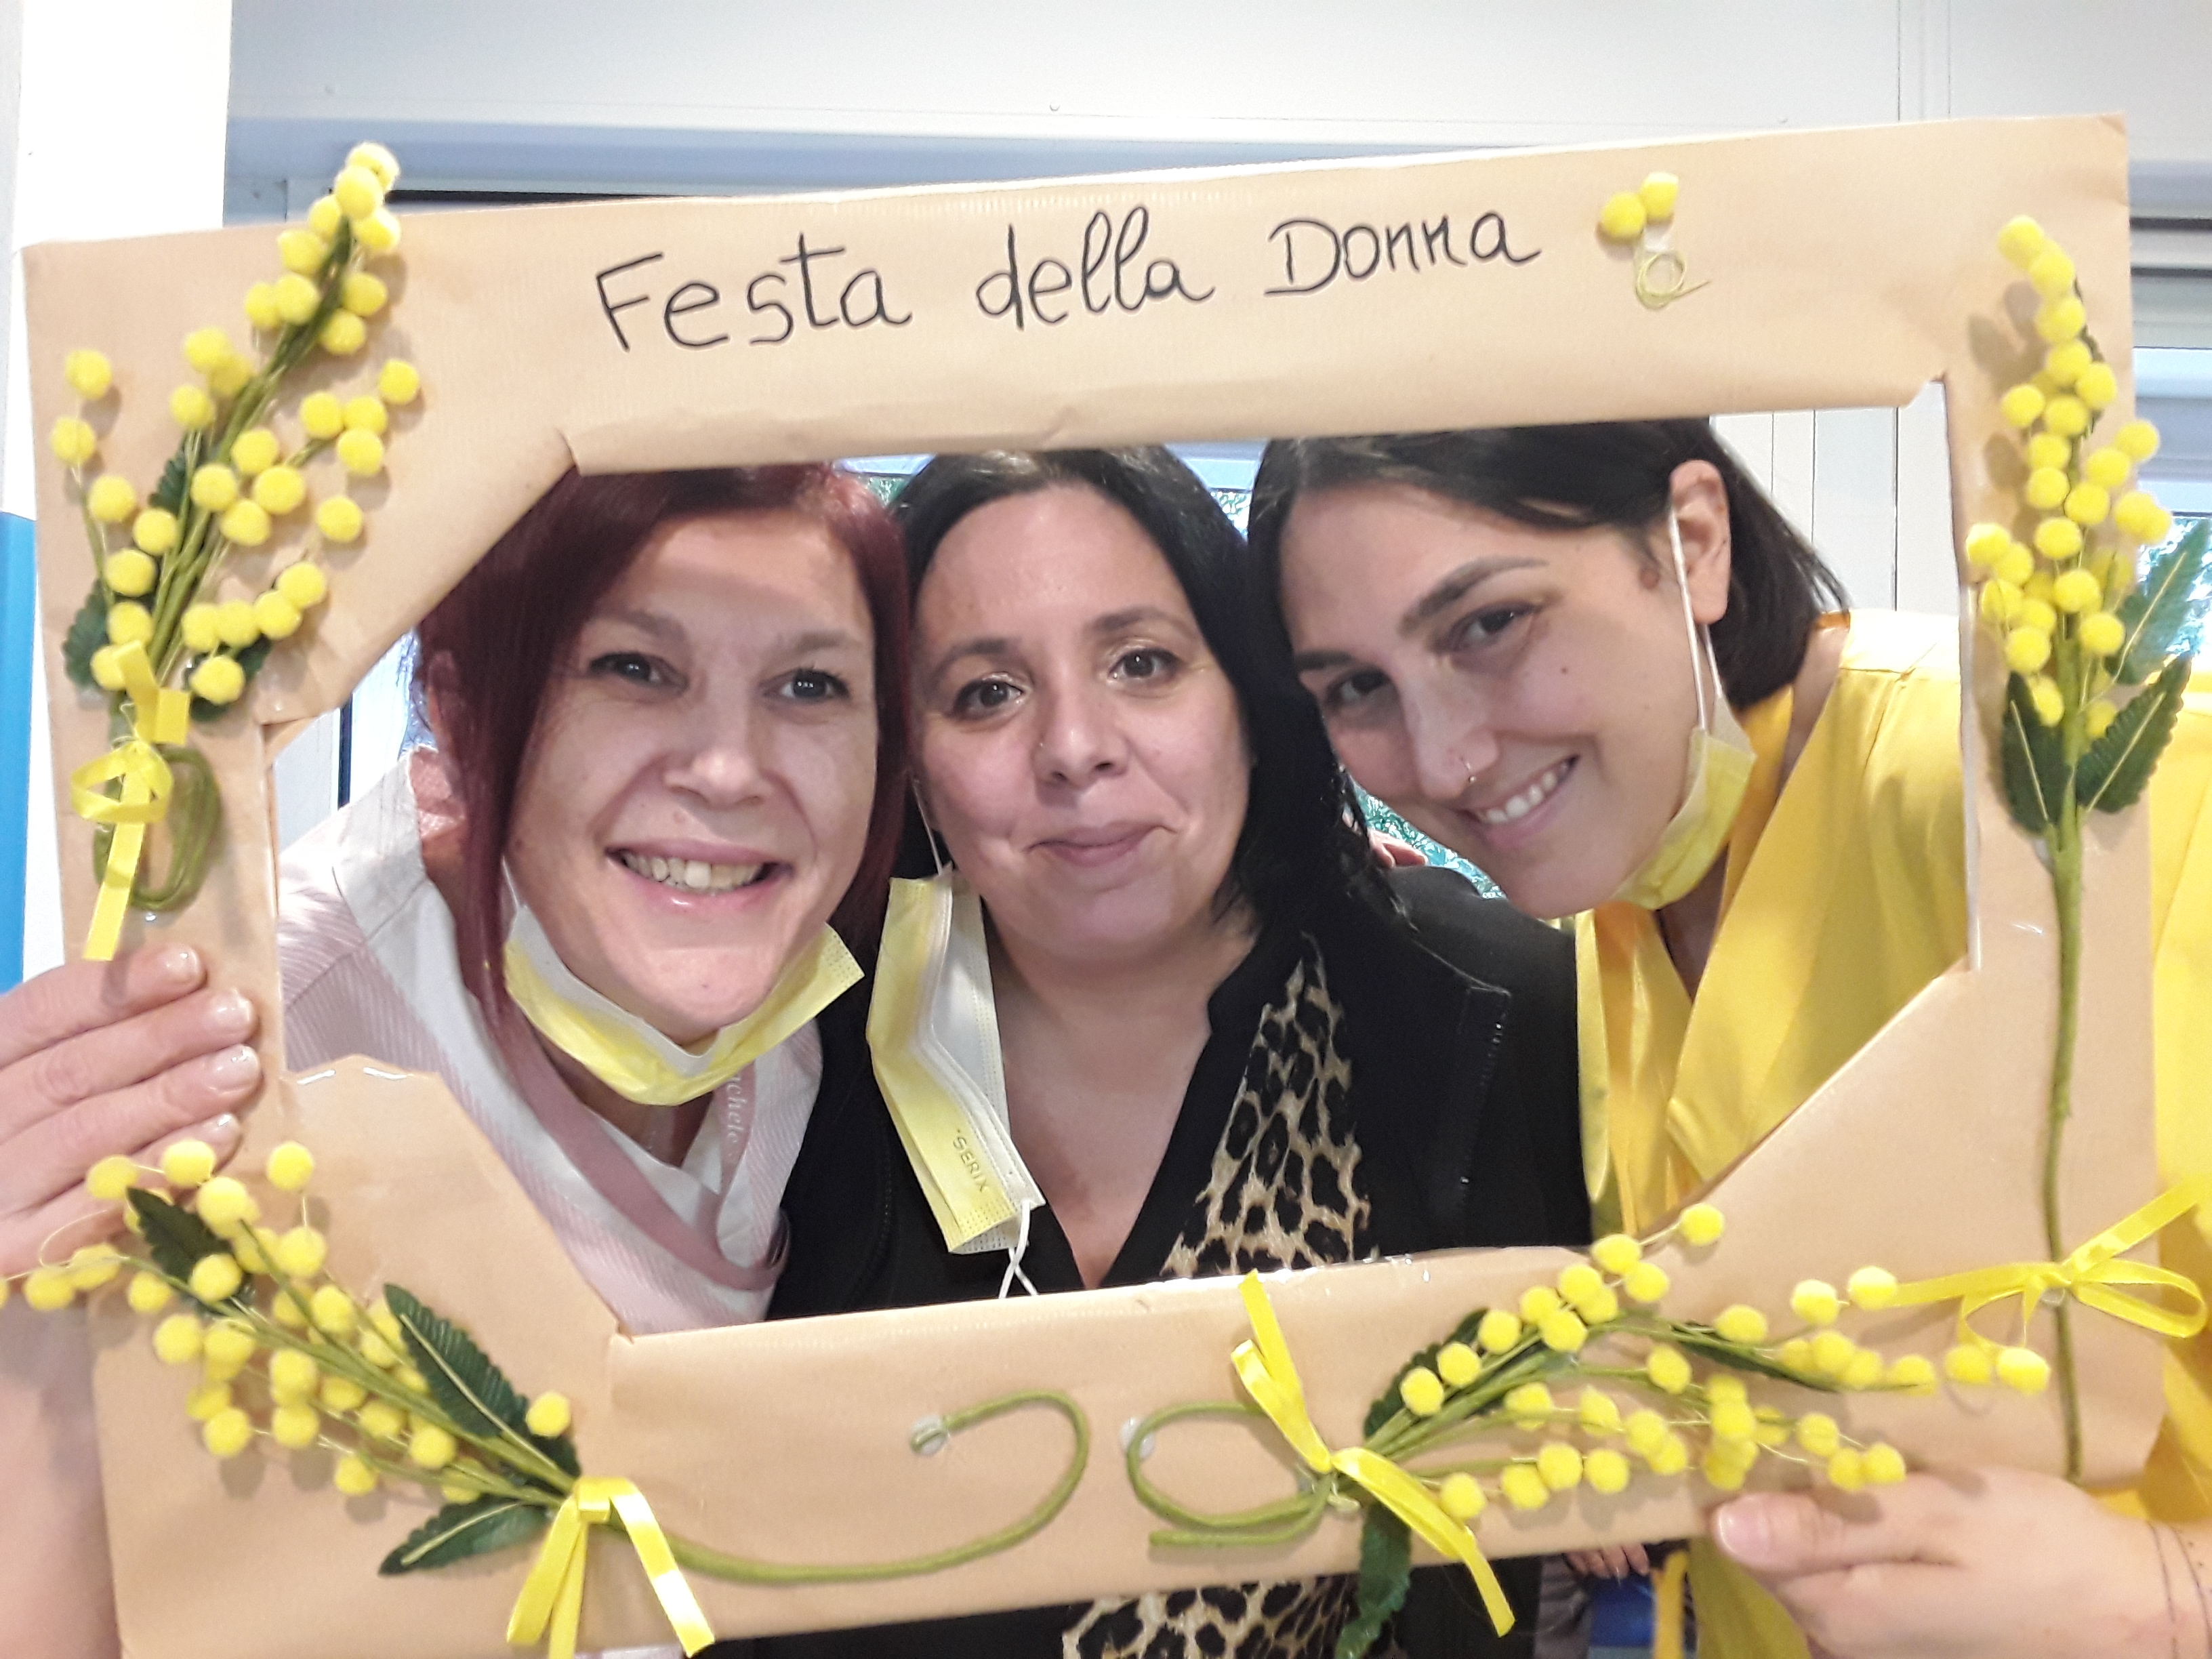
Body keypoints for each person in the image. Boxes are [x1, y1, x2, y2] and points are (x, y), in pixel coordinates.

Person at [1248, 420, 2212, 1659]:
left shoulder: (2073, 808)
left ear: (1694, 542)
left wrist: (2166, 1594)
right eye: (1355, 689)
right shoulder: (1618, 899)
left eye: (1489, 625)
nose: (1444, 759)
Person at [0, 464, 909, 1656]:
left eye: (810, 684)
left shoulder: (813, 1023)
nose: (730, 769)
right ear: (463, 711)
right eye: (633, 668)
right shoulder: (258, 1056)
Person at [758, 448, 1588, 1659]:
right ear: (913, 767)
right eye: (986, 692)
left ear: (1250, 703)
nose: (1075, 746)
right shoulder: (787, 1054)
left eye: (1141, 663)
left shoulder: (1494, 1019)